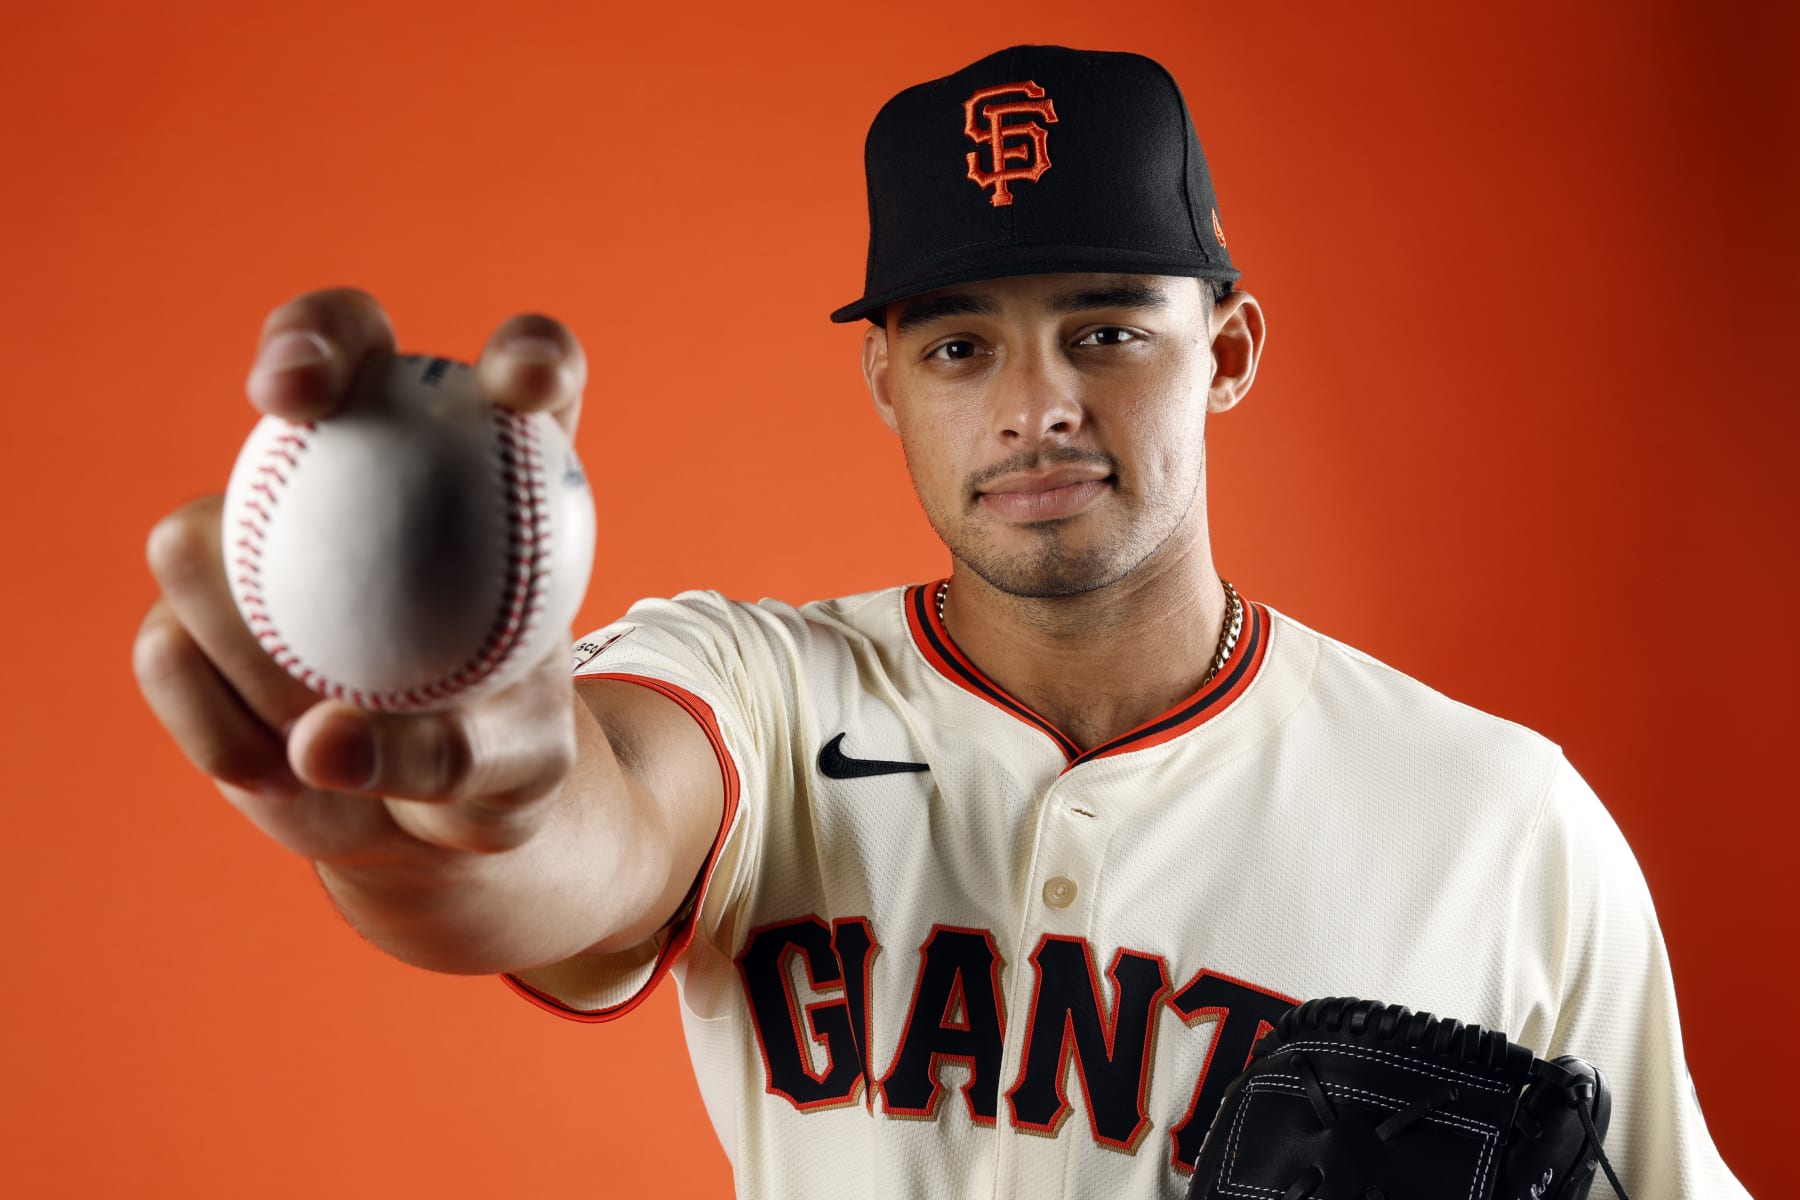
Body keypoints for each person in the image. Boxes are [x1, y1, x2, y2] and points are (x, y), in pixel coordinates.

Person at [133, 44, 1749, 1199]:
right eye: (961, 346)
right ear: (884, 379)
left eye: (1107, 328)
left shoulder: (1499, 818)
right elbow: (572, 836)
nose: (1037, 405)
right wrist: (438, 806)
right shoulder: (758, 691)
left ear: (1231, 353)